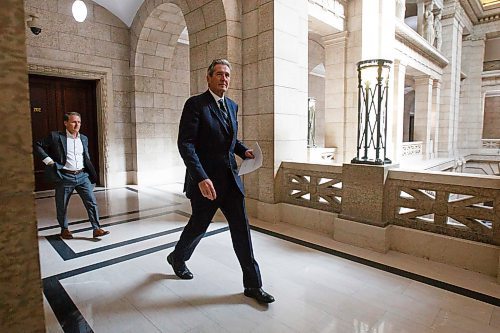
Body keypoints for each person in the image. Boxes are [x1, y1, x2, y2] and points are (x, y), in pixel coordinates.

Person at [167, 59, 275, 304]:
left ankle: (253, 286)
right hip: (206, 184)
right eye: (218, 74)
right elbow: (186, 144)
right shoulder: (195, 105)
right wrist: (201, 177)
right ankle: (177, 257)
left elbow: (229, 140)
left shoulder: (232, 106)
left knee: (242, 231)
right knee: (198, 226)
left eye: (227, 75)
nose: (223, 78)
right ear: (208, 77)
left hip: (231, 182)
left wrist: (244, 151)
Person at [34, 112, 109, 239]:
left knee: (91, 202)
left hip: (82, 175)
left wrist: (90, 173)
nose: (77, 125)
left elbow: (85, 156)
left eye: (79, 122)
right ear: (66, 123)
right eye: (74, 122)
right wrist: (49, 161)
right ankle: (64, 229)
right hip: (65, 176)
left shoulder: (84, 138)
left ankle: (96, 229)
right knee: (62, 204)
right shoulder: (56, 137)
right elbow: (37, 145)